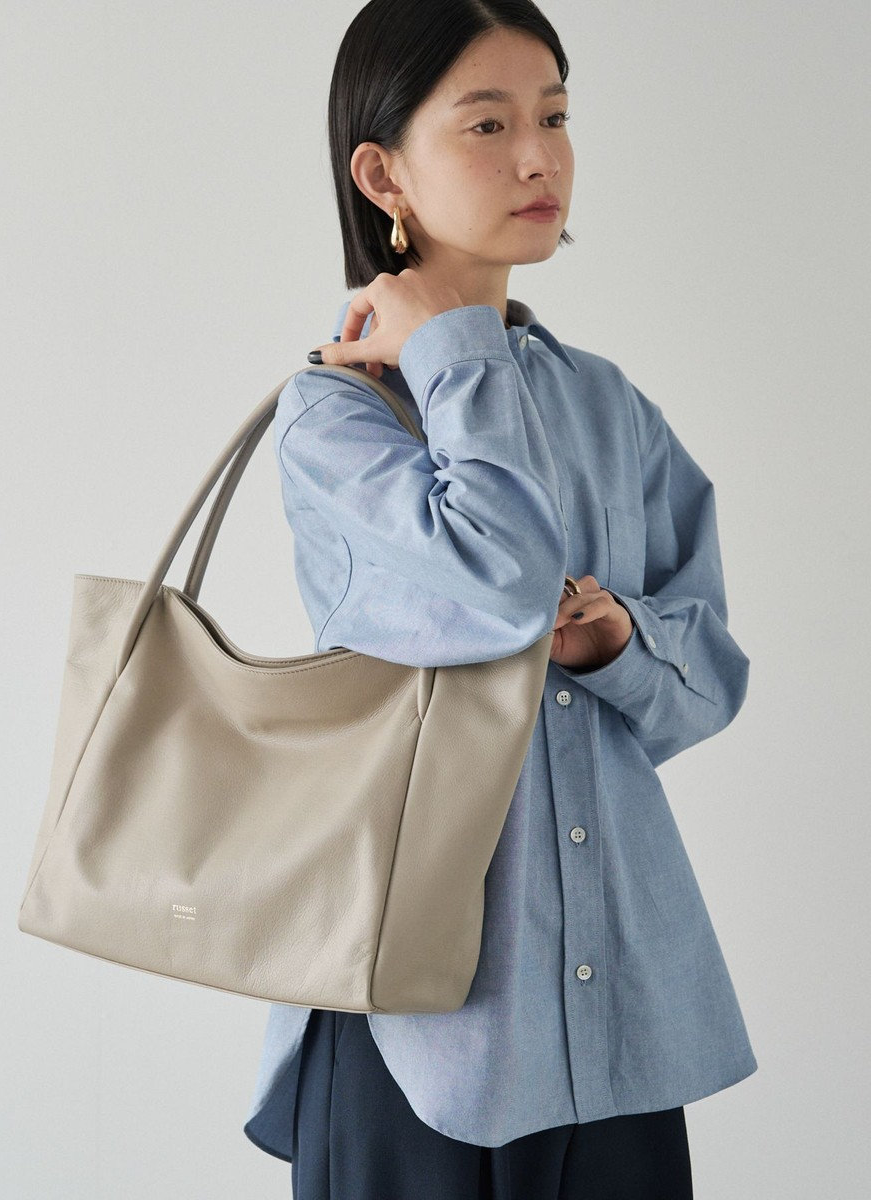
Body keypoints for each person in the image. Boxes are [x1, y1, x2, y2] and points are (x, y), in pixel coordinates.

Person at [243, 1, 758, 1196]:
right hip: (419, 1026)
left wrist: (618, 646)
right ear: (383, 174)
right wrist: (451, 350)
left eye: (555, 117)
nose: (538, 158)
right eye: (488, 124)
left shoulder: (609, 406)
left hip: (618, 1021)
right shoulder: (335, 415)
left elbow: (707, 684)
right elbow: (499, 585)